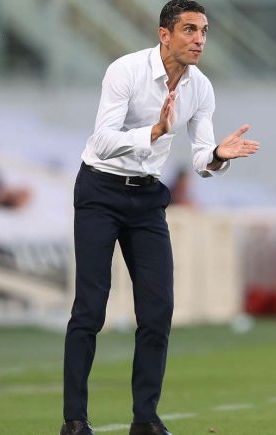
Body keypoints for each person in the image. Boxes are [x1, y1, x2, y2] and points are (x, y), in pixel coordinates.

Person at [61, 2, 260, 435]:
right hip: (99, 190)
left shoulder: (200, 88)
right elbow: (102, 140)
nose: (199, 39)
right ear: (164, 34)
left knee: (158, 310)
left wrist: (218, 155)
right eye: (189, 29)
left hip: (147, 198)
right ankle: (74, 420)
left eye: (204, 31)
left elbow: (203, 158)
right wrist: (152, 132)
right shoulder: (125, 71)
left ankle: (145, 419)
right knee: (90, 308)